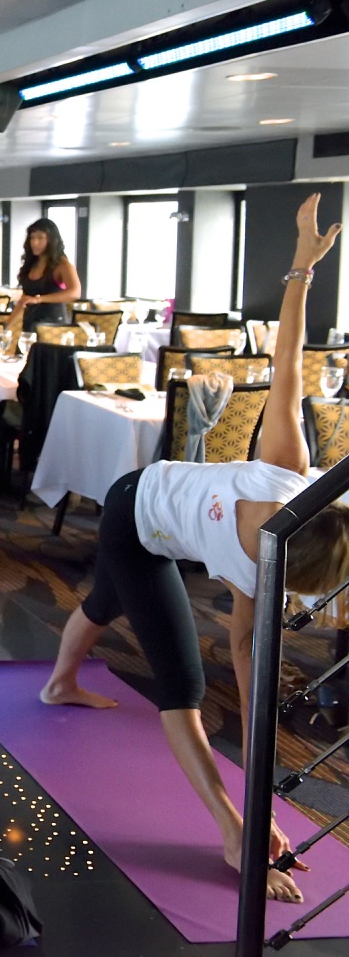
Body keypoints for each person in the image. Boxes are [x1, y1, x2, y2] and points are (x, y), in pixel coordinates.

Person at [38, 195, 347, 904]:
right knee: (183, 689)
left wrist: (300, 264)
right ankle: (228, 830)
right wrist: (249, 813)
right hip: (132, 514)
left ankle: (58, 681)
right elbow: (241, 653)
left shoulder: (288, 471)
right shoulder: (256, 573)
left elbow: (288, 360)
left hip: (147, 496)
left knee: (112, 598)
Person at [7, 218, 81, 332]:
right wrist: (5, 327)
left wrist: (39, 299)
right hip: (30, 324)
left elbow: (75, 292)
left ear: (52, 240)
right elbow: (24, 300)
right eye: (32, 238)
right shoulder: (31, 264)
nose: (35, 242)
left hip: (53, 327)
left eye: (40, 238)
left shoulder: (62, 265)